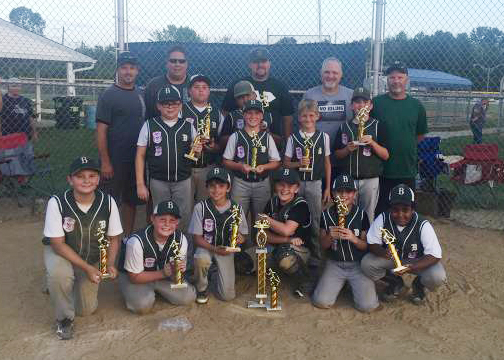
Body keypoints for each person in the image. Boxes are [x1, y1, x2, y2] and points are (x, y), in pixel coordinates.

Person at [42, 156, 123, 340]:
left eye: (92, 175)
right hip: (62, 251)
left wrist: (109, 264)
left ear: (99, 179)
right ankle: (64, 320)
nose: (87, 180)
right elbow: (57, 244)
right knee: (59, 275)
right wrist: (87, 268)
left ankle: (64, 283)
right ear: (70, 180)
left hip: (91, 255)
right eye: (80, 176)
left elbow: (114, 238)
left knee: (86, 310)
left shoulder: (108, 202)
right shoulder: (57, 202)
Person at [361, 184, 447, 305]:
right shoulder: (383, 218)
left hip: (416, 261)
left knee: (438, 276)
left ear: (413, 209)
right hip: (392, 260)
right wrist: (381, 252)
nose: (400, 214)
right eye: (395, 210)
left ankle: (419, 285)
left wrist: (412, 267)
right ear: (390, 209)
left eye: (405, 210)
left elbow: (435, 255)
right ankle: (394, 281)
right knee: (367, 263)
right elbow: (372, 243)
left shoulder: (423, 224)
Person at [135, 85, 200, 233]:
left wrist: (197, 151)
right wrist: (140, 184)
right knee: (161, 216)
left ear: (180, 105)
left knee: (184, 217)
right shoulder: (149, 125)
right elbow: (140, 155)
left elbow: (195, 156)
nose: (170, 107)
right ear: (158, 106)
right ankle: (162, 250)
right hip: (158, 180)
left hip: (183, 180)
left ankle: (183, 253)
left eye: (174, 103)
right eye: (165, 103)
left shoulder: (188, 126)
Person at [312, 174, 379, 312]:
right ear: (333, 193)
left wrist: (353, 238)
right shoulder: (326, 215)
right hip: (335, 263)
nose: (344, 195)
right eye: (339, 191)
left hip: (357, 264)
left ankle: (353, 285)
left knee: (367, 306)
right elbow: (323, 245)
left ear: (354, 194)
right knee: (321, 302)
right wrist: (330, 236)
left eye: (348, 191)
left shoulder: (361, 214)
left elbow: (366, 246)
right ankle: (340, 284)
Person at [96, 52, 146, 236]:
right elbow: (101, 130)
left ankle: (126, 238)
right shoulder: (109, 95)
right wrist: (105, 161)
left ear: (137, 71)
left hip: (135, 160)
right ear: (118, 69)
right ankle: (105, 240)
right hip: (114, 159)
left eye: (132, 68)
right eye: (124, 67)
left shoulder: (141, 93)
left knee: (130, 202)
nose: (128, 71)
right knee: (109, 202)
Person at [118, 200, 196, 314]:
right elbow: (134, 277)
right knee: (142, 305)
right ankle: (146, 292)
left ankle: (154, 290)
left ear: (177, 222)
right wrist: (163, 273)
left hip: (163, 277)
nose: (167, 224)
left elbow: (176, 278)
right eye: (162, 219)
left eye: (172, 220)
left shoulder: (181, 240)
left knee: (188, 296)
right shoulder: (136, 242)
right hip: (136, 278)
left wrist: (177, 272)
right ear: (153, 219)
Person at [371, 62, 428, 217]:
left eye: (400, 77)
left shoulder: (416, 106)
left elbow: (420, 135)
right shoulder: (376, 103)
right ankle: (381, 240)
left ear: (406, 79)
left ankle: (405, 240)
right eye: (392, 77)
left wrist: (404, 144)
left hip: (406, 167)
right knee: (381, 210)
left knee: (405, 210)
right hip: (381, 168)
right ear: (387, 80)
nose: (396, 81)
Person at [222, 99, 281, 245]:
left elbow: (276, 161)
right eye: (249, 113)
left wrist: (264, 167)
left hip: (262, 183)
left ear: (262, 116)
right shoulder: (236, 136)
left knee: (261, 221)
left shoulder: (267, 137)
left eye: (256, 113)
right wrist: (240, 167)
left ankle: (258, 256)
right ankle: (239, 256)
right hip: (241, 182)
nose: (253, 116)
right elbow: (226, 161)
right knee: (237, 219)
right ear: (244, 115)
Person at [188, 167, 248, 304]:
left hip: (226, 251)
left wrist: (240, 239)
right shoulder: (200, 207)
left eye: (221, 186)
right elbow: (197, 239)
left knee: (227, 296)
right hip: (207, 248)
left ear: (228, 188)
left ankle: (212, 272)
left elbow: (244, 235)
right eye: (212, 186)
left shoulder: (236, 208)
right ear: (207, 188)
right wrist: (215, 249)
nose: (216, 190)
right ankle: (201, 288)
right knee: (201, 258)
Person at [284, 99, 331, 263]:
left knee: (315, 218)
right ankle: (295, 253)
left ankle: (316, 256)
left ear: (317, 116)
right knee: (294, 217)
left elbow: (327, 163)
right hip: (296, 184)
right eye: (304, 116)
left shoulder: (323, 137)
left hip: (315, 183)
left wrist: (327, 189)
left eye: (311, 115)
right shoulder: (293, 138)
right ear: (299, 117)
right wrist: (299, 163)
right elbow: (286, 163)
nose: (308, 119)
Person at [334, 88, 389, 222]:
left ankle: (366, 242)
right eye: (357, 102)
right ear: (352, 106)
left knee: (368, 215)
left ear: (370, 106)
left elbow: (386, 155)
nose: (361, 105)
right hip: (349, 180)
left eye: (365, 102)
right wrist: (347, 149)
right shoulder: (344, 127)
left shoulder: (378, 126)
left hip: (370, 179)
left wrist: (372, 143)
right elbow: (337, 154)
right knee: (346, 215)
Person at [221, 48, 294, 148]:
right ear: (250, 65)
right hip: (240, 144)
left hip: (271, 140)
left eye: (263, 61)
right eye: (255, 62)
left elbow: (287, 118)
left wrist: (288, 146)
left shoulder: (279, 86)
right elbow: (225, 113)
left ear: (269, 63)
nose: (260, 65)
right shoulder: (239, 85)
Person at [260, 168, 313, 298]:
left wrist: (266, 219)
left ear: (296, 188)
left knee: (285, 257)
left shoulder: (300, 205)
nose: (285, 189)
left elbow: (287, 230)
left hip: (299, 249)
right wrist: (287, 240)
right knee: (244, 262)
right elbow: (262, 235)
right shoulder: (272, 202)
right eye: (281, 184)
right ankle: (278, 269)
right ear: (275, 186)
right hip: (279, 245)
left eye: (290, 185)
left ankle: (305, 281)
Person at [182, 74, 223, 202]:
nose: (201, 90)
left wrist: (213, 147)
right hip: (185, 167)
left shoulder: (217, 113)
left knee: (205, 207)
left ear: (209, 91)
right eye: (196, 87)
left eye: (204, 87)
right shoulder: (181, 110)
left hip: (207, 167)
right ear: (189, 90)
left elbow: (221, 143)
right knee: (185, 209)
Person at [303, 57, 353, 150]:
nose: (330, 76)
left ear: (341, 75)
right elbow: (303, 124)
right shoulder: (310, 95)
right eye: (327, 72)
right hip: (317, 151)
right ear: (321, 73)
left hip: (344, 152)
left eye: (335, 73)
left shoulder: (351, 95)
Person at [219, 80, 273, 148]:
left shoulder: (267, 115)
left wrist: (266, 133)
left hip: (263, 155)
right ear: (236, 100)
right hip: (239, 155)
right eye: (241, 97)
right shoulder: (232, 116)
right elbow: (221, 142)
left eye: (247, 95)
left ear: (254, 95)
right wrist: (241, 134)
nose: (245, 100)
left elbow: (280, 142)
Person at [144, 44, 190, 119]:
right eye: (173, 61)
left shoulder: (195, 85)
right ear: (166, 63)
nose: (177, 64)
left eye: (181, 61)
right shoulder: (154, 85)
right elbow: (148, 115)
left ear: (187, 64)